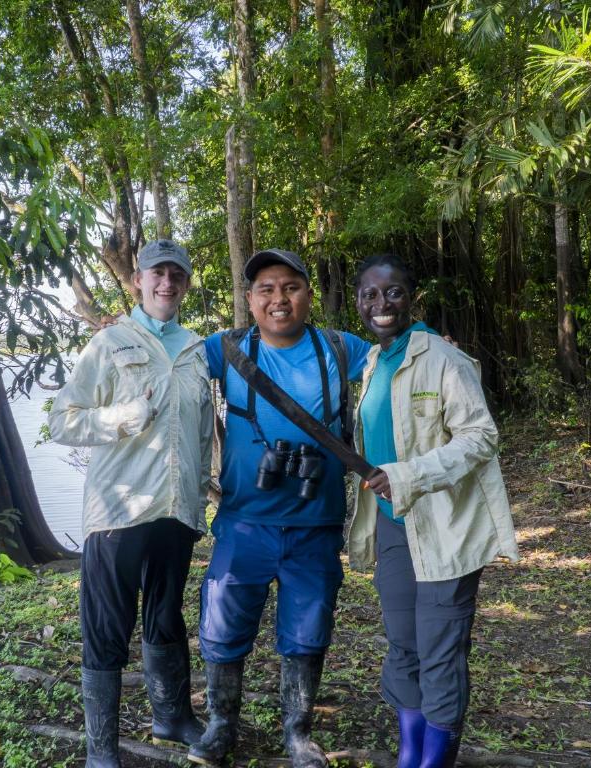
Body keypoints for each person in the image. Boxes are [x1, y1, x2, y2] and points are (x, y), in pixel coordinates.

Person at [188, 249, 370, 768]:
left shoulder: (340, 349)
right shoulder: (225, 349)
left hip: (316, 524)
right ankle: (222, 725)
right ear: (249, 299)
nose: (278, 298)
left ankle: (298, 732)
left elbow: (396, 354)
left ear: (309, 294)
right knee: (222, 628)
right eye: (265, 288)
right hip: (244, 523)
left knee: (307, 630)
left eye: (290, 286)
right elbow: (167, 360)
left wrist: (432, 345)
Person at [347, 253, 519, 768]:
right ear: (357, 302)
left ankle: (434, 761)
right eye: (371, 295)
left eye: (393, 292)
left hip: (446, 528)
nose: (382, 304)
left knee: (440, 651)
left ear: (411, 297)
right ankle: (410, 754)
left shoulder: (444, 360)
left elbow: (481, 436)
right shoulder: (374, 362)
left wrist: (408, 475)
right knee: (403, 645)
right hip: (394, 527)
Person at [48, 239, 213, 767]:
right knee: (107, 624)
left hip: (177, 508)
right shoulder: (110, 344)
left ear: (187, 284)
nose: (168, 283)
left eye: (178, 275)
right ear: (138, 280)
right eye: (158, 273)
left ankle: (172, 717)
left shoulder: (195, 349)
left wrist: (210, 490)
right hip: (119, 511)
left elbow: (205, 429)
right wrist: (122, 417)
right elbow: (62, 420)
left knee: (166, 615)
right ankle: (102, 749)